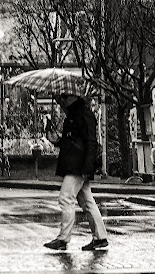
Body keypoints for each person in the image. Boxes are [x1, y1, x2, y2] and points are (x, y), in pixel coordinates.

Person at [43, 93, 108, 251]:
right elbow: (71, 141)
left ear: (73, 97)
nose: (61, 100)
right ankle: (100, 237)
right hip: (75, 164)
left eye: (64, 97)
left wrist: (87, 167)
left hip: (78, 166)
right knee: (87, 202)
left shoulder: (83, 115)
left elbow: (90, 142)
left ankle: (63, 239)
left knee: (66, 198)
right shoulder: (73, 115)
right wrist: (57, 140)